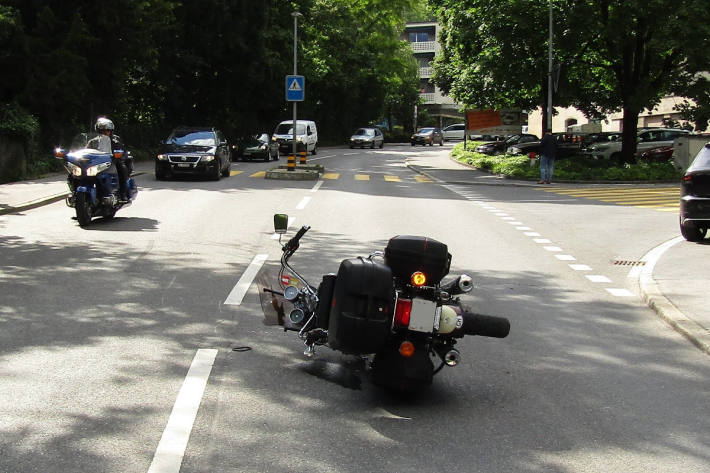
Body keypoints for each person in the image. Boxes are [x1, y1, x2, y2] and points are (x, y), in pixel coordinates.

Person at [95, 116, 129, 201]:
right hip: (96, 164)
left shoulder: (115, 141)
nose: (106, 132)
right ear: (98, 131)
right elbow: (85, 150)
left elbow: (123, 151)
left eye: (108, 130)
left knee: (122, 168)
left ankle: (122, 193)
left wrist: (119, 155)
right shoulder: (93, 141)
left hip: (112, 163)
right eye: (103, 130)